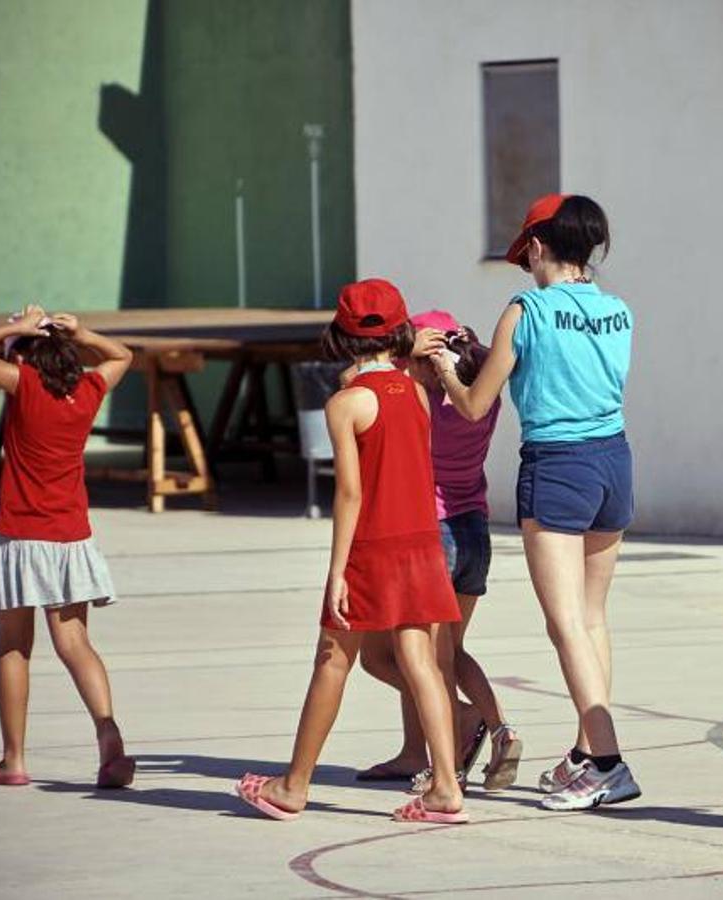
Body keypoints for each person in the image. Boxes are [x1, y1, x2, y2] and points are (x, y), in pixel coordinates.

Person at [427, 194, 640, 811]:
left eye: (527, 258)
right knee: (593, 618)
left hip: (557, 465)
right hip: (614, 460)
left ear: (538, 247)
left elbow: (474, 404)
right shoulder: (618, 310)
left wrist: (445, 370)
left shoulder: (526, 311)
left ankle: (607, 763)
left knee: (564, 622)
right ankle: (584, 754)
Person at [235, 279, 467, 823]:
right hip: (421, 544)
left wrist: (337, 570)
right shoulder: (415, 393)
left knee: (332, 659)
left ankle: (293, 785)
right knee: (422, 662)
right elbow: (383, 384)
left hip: (372, 548)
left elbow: (350, 493)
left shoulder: (345, 404)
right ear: (401, 331)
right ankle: (446, 787)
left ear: (340, 334)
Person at [0, 306, 135, 789]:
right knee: (75, 643)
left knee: (14, 645)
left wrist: (15, 327)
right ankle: (109, 735)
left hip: (21, 536)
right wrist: (82, 331)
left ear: (23, 357)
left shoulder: (23, 384)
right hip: (71, 537)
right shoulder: (89, 389)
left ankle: (13, 760)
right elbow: (122, 355)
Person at [355, 309, 522, 793]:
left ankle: (469, 732)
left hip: (434, 534)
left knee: (407, 659)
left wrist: (404, 351)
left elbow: (359, 376)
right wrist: (460, 345)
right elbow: (487, 360)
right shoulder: (482, 399)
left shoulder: (417, 401)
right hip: (474, 533)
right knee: (447, 651)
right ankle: (446, 742)